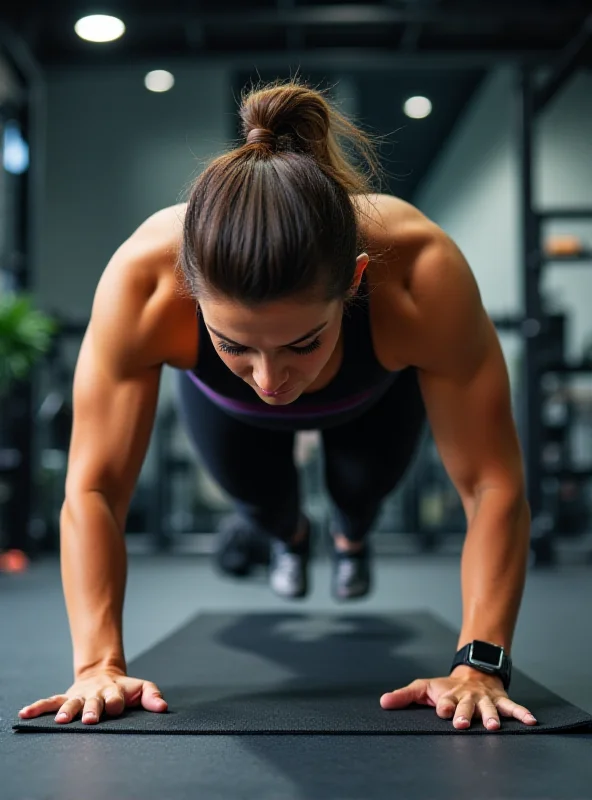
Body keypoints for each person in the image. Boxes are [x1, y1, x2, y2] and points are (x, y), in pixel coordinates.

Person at [18, 78, 537, 733]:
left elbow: (492, 484)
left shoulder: (418, 269)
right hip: (226, 414)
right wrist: (97, 664)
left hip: (373, 401)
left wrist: (479, 665)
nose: (269, 377)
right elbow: (94, 488)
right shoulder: (145, 279)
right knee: (264, 503)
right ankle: (293, 536)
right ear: (188, 290)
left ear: (353, 280)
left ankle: (349, 535)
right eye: (234, 344)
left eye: (301, 343)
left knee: (361, 488)